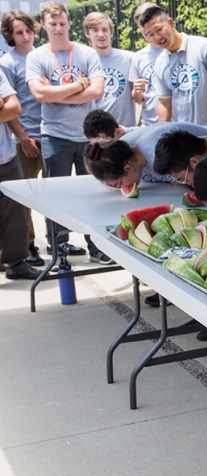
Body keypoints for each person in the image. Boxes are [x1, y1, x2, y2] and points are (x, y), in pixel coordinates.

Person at [26, 1, 112, 263]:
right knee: (57, 194)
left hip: (88, 136)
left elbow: (97, 90)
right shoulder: (37, 56)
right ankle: (59, 246)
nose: (58, 28)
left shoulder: (86, 53)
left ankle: (96, 244)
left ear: (69, 24)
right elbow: (39, 94)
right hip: (55, 136)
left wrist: (56, 94)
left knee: (94, 192)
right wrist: (78, 86)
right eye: (53, 24)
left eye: (62, 23)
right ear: (43, 25)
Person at [139, 6, 207, 127]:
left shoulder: (204, 46)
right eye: (151, 34)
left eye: (159, 30)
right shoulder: (160, 63)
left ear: (170, 22)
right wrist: (161, 132)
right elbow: (164, 103)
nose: (157, 37)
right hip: (184, 134)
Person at [1, 10, 45, 266]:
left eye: (28, 31)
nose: (26, 36)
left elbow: (12, 104)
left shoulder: (42, 56)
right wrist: (23, 138)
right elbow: (10, 110)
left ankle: (57, 242)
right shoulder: (7, 63)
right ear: (10, 35)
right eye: (19, 32)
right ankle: (28, 247)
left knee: (51, 195)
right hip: (23, 138)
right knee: (22, 199)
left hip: (49, 133)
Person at [83, 121, 207, 187]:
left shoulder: (160, 153)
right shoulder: (122, 148)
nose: (118, 187)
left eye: (119, 183)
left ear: (128, 168)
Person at [0, 68, 42, 280]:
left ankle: (16, 264)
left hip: (6, 157)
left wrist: (5, 104)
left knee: (15, 215)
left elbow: (15, 109)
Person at [83, 12, 137, 128]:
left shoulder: (129, 58)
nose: (101, 34)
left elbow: (139, 95)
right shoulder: (83, 63)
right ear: (87, 33)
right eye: (95, 30)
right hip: (96, 131)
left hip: (126, 130)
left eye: (105, 30)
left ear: (111, 32)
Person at [131, 2, 162, 126]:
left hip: (175, 120)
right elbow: (139, 100)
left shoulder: (172, 49)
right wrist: (137, 90)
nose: (146, 29)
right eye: (141, 25)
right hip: (150, 123)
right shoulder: (138, 57)